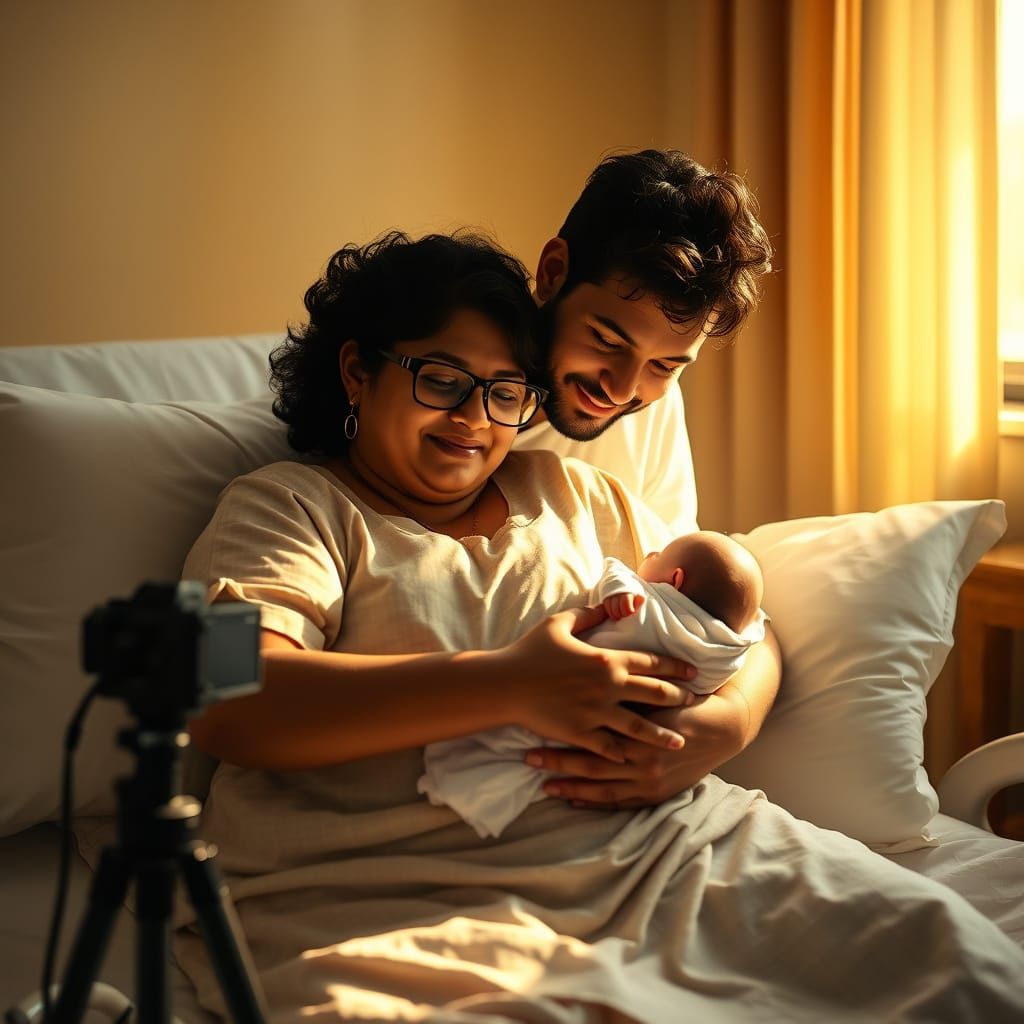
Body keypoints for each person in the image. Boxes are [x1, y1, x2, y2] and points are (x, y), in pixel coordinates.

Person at [176, 230, 1024, 1022]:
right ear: (358, 370)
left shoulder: (576, 494)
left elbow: (745, 626)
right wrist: (507, 684)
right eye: (441, 379)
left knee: (958, 969)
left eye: (506, 392)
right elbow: (226, 697)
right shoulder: (288, 509)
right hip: (399, 896)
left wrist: (724, 727)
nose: (474, 419)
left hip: (670, 854)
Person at [509, 148, 781, 811]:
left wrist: (730, 723)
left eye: (666, 365)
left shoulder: (646, 410)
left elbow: (719, 609)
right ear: (553, 272)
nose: (623, 388)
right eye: (608, 340)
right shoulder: (442, 418)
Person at [419, 530, 769, 838]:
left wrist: (734, 719)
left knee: (523, 750)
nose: (649, 554)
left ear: (675, 580)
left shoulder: (642, 600)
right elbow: (756, 630)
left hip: (656, 787)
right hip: (637, 751)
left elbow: (615, 572)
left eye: (658, 555)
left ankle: (460, 781)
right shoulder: (725, 652)